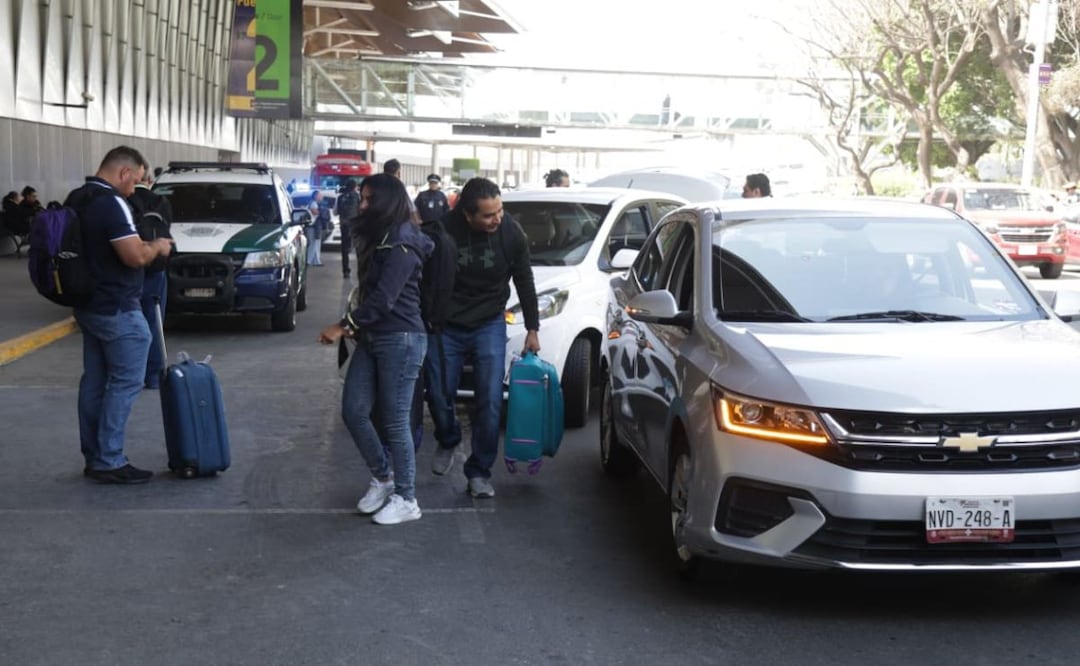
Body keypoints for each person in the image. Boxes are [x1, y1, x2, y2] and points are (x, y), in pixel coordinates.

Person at [318, 173, 433, 525]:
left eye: (369, 200)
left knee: (396, 421)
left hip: (401, 339)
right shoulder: (383, 237)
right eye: (362, 199)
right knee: (354, 410)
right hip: (373, 337)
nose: (362, 205)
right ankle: (383, 479)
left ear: (386, 202)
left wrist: (343, 325)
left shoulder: (401, 243)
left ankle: (407, 498)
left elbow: (384, 299)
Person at [425, 177, 541, 498]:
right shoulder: (442, 231)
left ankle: (479, 471)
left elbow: (524, 279)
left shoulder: (510, 232)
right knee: (437, 393)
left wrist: (533, 328)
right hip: (445, 325)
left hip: (489, 323)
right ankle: (448, 438)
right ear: (467, 215)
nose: (497, 219)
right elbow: (422, 277)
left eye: (500, 211)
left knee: (489, 400)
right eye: (489, 215)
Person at [70, 146, 174, 484]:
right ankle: (110, 459)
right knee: (126, 382)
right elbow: (132, 256)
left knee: (96, 382)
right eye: (136, 182)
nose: (136, 190)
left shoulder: (78, 197)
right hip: (117, 308)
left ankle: (94, 455)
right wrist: (157, 247)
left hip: (88, 305)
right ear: (124, 173)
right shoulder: (112, 203)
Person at [128, 167, 174, 389]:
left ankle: (131, 371)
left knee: (129, 320)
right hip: (155, 268)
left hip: (129, 268)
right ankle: (154, 375)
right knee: (154, 319)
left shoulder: (124, 200)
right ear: (149, 180)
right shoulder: (160, 202)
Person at [335, 178, 360, 278]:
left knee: (344, 249)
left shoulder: (340, 197)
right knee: (358, 248)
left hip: (344, 225)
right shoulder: (357, 196)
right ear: (354, 187)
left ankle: (346, 270)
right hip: (355, 225)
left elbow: (335, 212)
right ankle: (360, 270)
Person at [306, 190, 329, 266]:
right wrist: (322, 212)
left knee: (316, 244)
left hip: (315, 227)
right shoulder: (313, 203)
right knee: (313, 244)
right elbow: (314, 212)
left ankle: (316, 261)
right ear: (316, 196)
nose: (321, 197)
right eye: (320, 195)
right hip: (313, 227)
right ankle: (309, 261)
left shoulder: (315, 203)